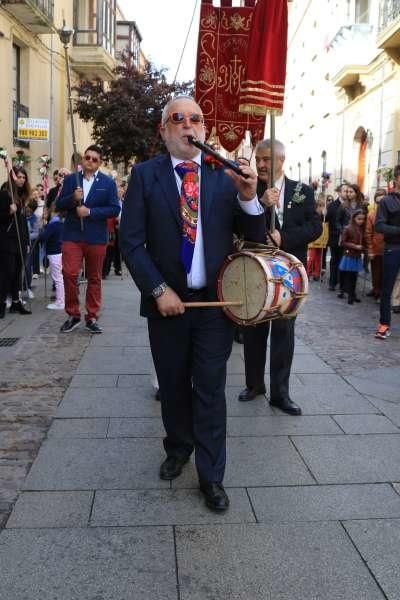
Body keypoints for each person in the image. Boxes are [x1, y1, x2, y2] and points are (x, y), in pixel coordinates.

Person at [119, 95, 265, 512]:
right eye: (177, 119)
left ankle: (212, 477)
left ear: (205, 129)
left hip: (213, 308)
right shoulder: (145, 176)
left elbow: (253, 238)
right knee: (173, 385)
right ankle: (178, 447)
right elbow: (130, 242)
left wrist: (250, 198)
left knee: (210, 390)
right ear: (163, 130)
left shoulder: (224, 178)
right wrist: (158, 289)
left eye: (196, 119)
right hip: (167, 305)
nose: (188, 126)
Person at [238, 138, 322, 415]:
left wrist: (283, 236)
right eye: (257, 159)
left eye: (266, 159)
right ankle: (254, 384)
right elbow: (239, 227)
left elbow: (314, 227)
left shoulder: (302, 191)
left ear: (281, 161)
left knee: (284, 332)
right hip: (256, 271)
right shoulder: (249, 189)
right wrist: (260, 203)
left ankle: (281, 393)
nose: (260, 165)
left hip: (288, 274)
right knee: (254, 329)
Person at [56, 145, 120, 334]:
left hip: (95, 237)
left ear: (100, 162)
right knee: (69, 273)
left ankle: (91, 316)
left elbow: (114, 209)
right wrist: (72, 198)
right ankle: (73, 314)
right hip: (73, 235)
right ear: (83, 159)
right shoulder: (70, 180)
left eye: (94, 159)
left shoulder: (108, 183)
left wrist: (90, 212)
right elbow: (59, 205)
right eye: (87, 157)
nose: (90, 161)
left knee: (94, 277)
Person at [0, 165, 32, 317]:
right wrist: (8, 212)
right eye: (19, 177)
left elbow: (23, 222)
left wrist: (26, 242)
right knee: (7, 272)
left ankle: (16, 302)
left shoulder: (21, 196)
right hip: (8, 240)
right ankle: (1, 304)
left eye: (24, 177)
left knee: (18, 272)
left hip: (20, 240)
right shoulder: (5, 194)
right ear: (13, 177)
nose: (22, 180)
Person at [374, 164, 400, 339]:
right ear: (396, 178)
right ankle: (384, 324)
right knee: (387, 288)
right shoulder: (386, 201)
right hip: (393, 248)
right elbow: (379, 225)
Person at [39, 204, 64, 310]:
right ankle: (61, 299)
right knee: (59, 277)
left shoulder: (53, 224)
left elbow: (43, 237)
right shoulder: (60, 223)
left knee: (57, 278)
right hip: (59, 251)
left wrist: (43, 227)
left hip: (54, 252)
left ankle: (60, 301)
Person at [338, 209, 366, 304]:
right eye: (359, 219)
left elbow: (363, 241)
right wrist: (355, 246)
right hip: (349, 255)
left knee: (354, 276)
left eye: (363, 219)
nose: (361, 221)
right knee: (348, 275)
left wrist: (364, 250)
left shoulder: (362, 229)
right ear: (354, 218)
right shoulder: (348, 228)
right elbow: (343, 242)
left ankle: (352, 294)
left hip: (356, 255)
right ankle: (347, 293)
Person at [365, 188, 386, 300]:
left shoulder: (391, 214)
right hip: (376, 248)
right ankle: (375, 289)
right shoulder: (371, 215)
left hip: (388, 248)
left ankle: (382, 292)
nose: (380, 204)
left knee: (385, 272)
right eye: (378, 202)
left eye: (382, 202)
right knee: (375, 271)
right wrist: (370, 249)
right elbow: (368, 233)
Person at [326, 184, 348, 291]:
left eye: (347, 191)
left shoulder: (350, 205)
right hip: (335, 237)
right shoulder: (332, 205)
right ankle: (333, 282)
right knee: (335, 260)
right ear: (339, 192)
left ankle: (343, 283)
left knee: (344, 260)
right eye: (344, 191)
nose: (346, 193)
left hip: (347, 238)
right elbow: (327, 220)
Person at [307, 194, 328, 280]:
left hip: (322, 235)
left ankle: (316, 273)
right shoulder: (313, 210)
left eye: (323, 205)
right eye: (320, 205)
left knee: (319, 256)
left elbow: (326, 221)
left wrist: (325, 215)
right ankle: (308, 272)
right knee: (312, 256)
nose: (321, 207)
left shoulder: (325, 211)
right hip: (314, 235)